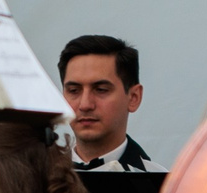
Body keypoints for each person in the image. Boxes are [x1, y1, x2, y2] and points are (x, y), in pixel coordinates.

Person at [57, 35, 151, 171]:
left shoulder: (165, 188)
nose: (85, 105)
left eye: (101, 90)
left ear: (133, 97)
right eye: (73, 90)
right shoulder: (33, 182)